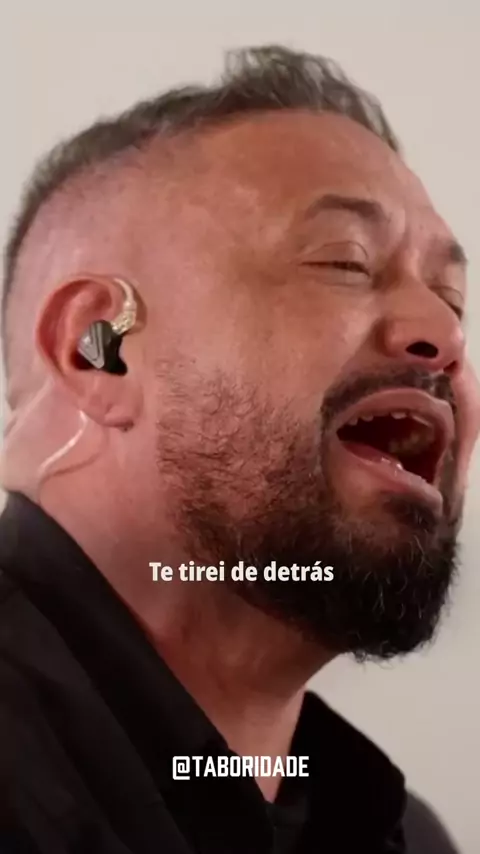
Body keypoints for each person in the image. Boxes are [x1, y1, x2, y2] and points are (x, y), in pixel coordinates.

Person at [0, 44, 477, 854]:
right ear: (98, 351)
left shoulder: (409, 836)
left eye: (452, 299)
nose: (443, 336)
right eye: (345, 261)